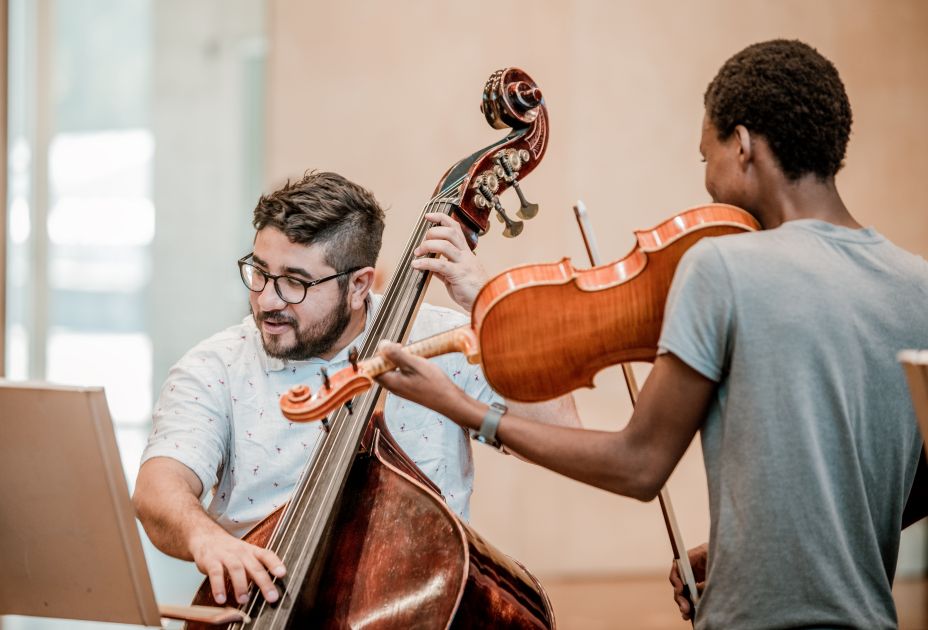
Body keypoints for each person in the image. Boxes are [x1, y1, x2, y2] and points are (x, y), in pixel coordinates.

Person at [375, 39, 928, 629]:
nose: (708, 182)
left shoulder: (724, 267)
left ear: (741, 146)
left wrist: (464, 408)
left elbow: (638, 465)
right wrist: (754, 548)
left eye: (705, 157)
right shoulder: (917, 285)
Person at [132, 171, 579, 608]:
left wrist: (494, 310)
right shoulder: (217, 364)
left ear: (359, 285)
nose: (267, 300)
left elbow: (564, 436)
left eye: (294, 282)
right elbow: (158, 488)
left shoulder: (445, 341)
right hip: (263, 609)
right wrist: (207, 539)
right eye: (259, 273)